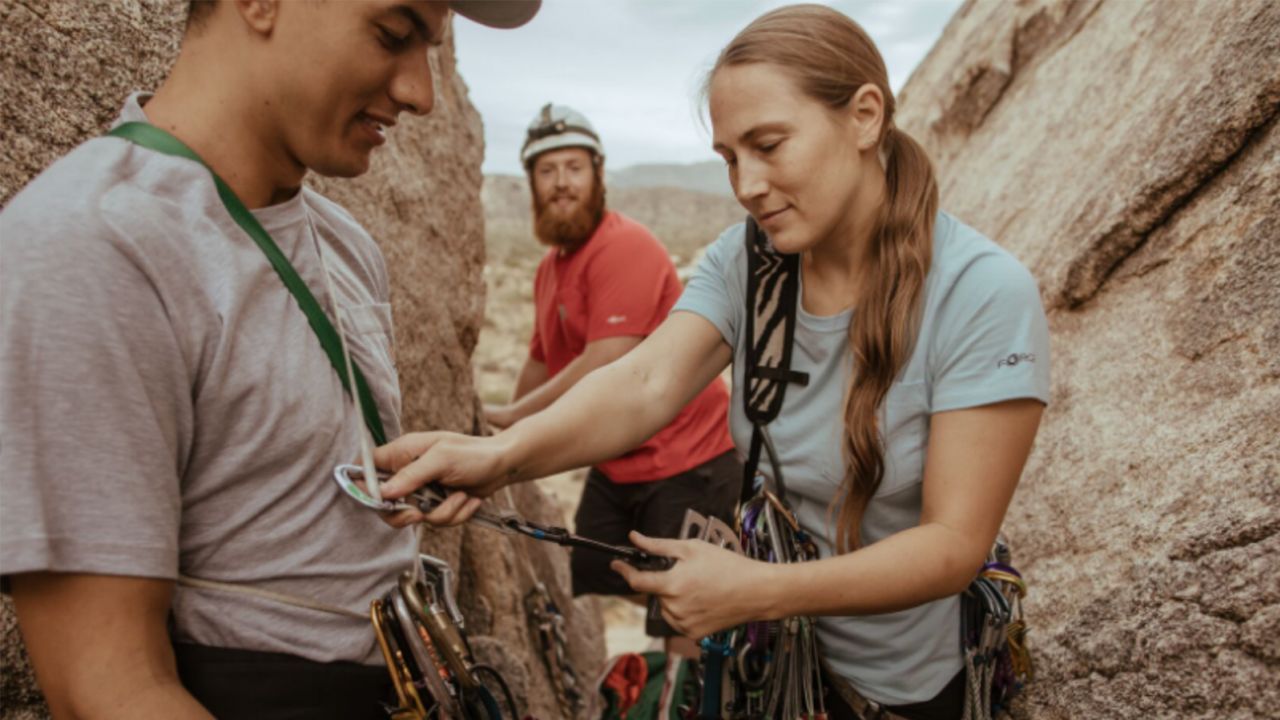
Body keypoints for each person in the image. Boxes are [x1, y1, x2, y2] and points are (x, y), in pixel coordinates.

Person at [374, 4, 1050, 719]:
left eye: (769, 145)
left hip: (912, 689)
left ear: (865, 116)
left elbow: (953, 545)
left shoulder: (980, 294)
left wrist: (755, 591)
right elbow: (645, 382)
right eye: (730, 158)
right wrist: (499, 456)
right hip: (783, 667)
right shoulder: (748, 264)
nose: (747, 184)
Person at [0, 1, 538, 718]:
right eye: (393, 34)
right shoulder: (93, 249)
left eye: (430, 52)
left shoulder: (345, 245)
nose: (421, 93)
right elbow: (106, 688)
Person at [486, 102, 740, 656]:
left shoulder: (623, 246)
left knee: (683, 614)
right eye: (547, 171)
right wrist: (501, 424)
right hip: (619, 459)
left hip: (687, 462)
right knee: (608, 580)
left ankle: (692, 690)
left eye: (574, 168)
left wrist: (512, 425)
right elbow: (539, 358)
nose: (561, 184)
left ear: (598, 175)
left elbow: (606, 358)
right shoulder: (551, 268)